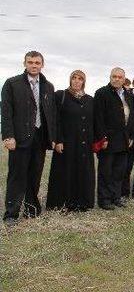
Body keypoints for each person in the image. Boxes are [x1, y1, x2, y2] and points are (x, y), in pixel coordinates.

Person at [2, 51, 57, 222]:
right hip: (19, 138)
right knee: (17, 176)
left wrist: (53, 136)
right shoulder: (12, 84)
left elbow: (51, 113)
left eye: (37, 62)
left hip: (40, 137)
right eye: (30, 62)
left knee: (35, 175)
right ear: (24, 63)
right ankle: (11, 214)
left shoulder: (48, 86)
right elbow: (6, 112)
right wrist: (8, 136)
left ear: (42, 65)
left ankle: (31, 210)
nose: (34, 65)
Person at [46, 70, 94, 211]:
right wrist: (58, 139)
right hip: (67, 142)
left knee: (82, 172)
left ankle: (81, 202)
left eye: (80, 79)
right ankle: (61, 203)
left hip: (84, 142)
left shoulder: (90, 99)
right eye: (74, 78)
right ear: (70, 80)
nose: (77, 81)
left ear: (84, 81)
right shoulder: (61, 96)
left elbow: (92, 121)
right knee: (65, 171)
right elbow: (56, 119)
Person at [93, 67, 134, 210]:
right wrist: (102, 138)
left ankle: (116, 197)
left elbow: (132, 118)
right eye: (114, 76)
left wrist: (131, 136)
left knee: (119, 171)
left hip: (123, 140)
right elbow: (98, 118)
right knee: (106, 171)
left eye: (119, 77)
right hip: (108, 141)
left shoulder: (128, 95)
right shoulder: (102, 93)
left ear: (124, 79)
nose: (116, 79)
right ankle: (104, 200)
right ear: (110, 77)